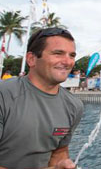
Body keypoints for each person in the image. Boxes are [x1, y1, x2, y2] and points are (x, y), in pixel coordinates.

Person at [0, 27, 83, 169]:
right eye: (58, 53)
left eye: (72, 55)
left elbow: (59, 152)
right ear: (32, 59)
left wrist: (61, 165)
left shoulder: (74, 106)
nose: (67, 62)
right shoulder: (4, 95)